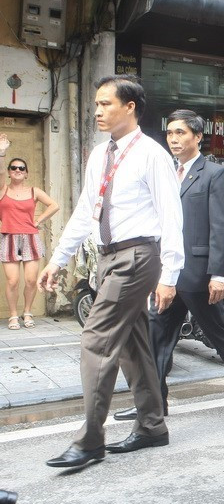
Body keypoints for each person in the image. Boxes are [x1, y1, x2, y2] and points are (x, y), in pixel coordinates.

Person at [38, 74, 183, 468]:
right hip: (108, 256)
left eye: (106, 104)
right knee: (133, 343)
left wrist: (170, 275)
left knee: (96, 340)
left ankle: (89, 440)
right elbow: (87, 211)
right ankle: (152, 426)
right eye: (97, 104)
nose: (98, 111)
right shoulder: (100, 154)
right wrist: (57, 258)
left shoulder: (152, 154)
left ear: (130, 107)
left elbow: (172, 216)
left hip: (137, 256)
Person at [112, 110, 224, 423]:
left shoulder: (213, 174)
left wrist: (218, 274)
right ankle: (152, 402)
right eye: (170, 134)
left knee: (217, 333)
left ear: (197, 137)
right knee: (157, 338)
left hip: (197, 273)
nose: (174, 139)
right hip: (167, 273)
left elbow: (222, 226)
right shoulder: (164, 171)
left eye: (181, 133)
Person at [0, 137, 59, 329]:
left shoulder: (34, 191)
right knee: (12, 281)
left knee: (31, 280)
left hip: (30, 237)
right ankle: (13, 315)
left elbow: (54, 205)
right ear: (9, 172)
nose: (18, 170)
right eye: (14, 168)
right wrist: (2, 152)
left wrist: (38, 220)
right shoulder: (3, 190)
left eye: (21, 168)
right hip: (8, 237)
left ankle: (27, 312)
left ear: (26, 173)